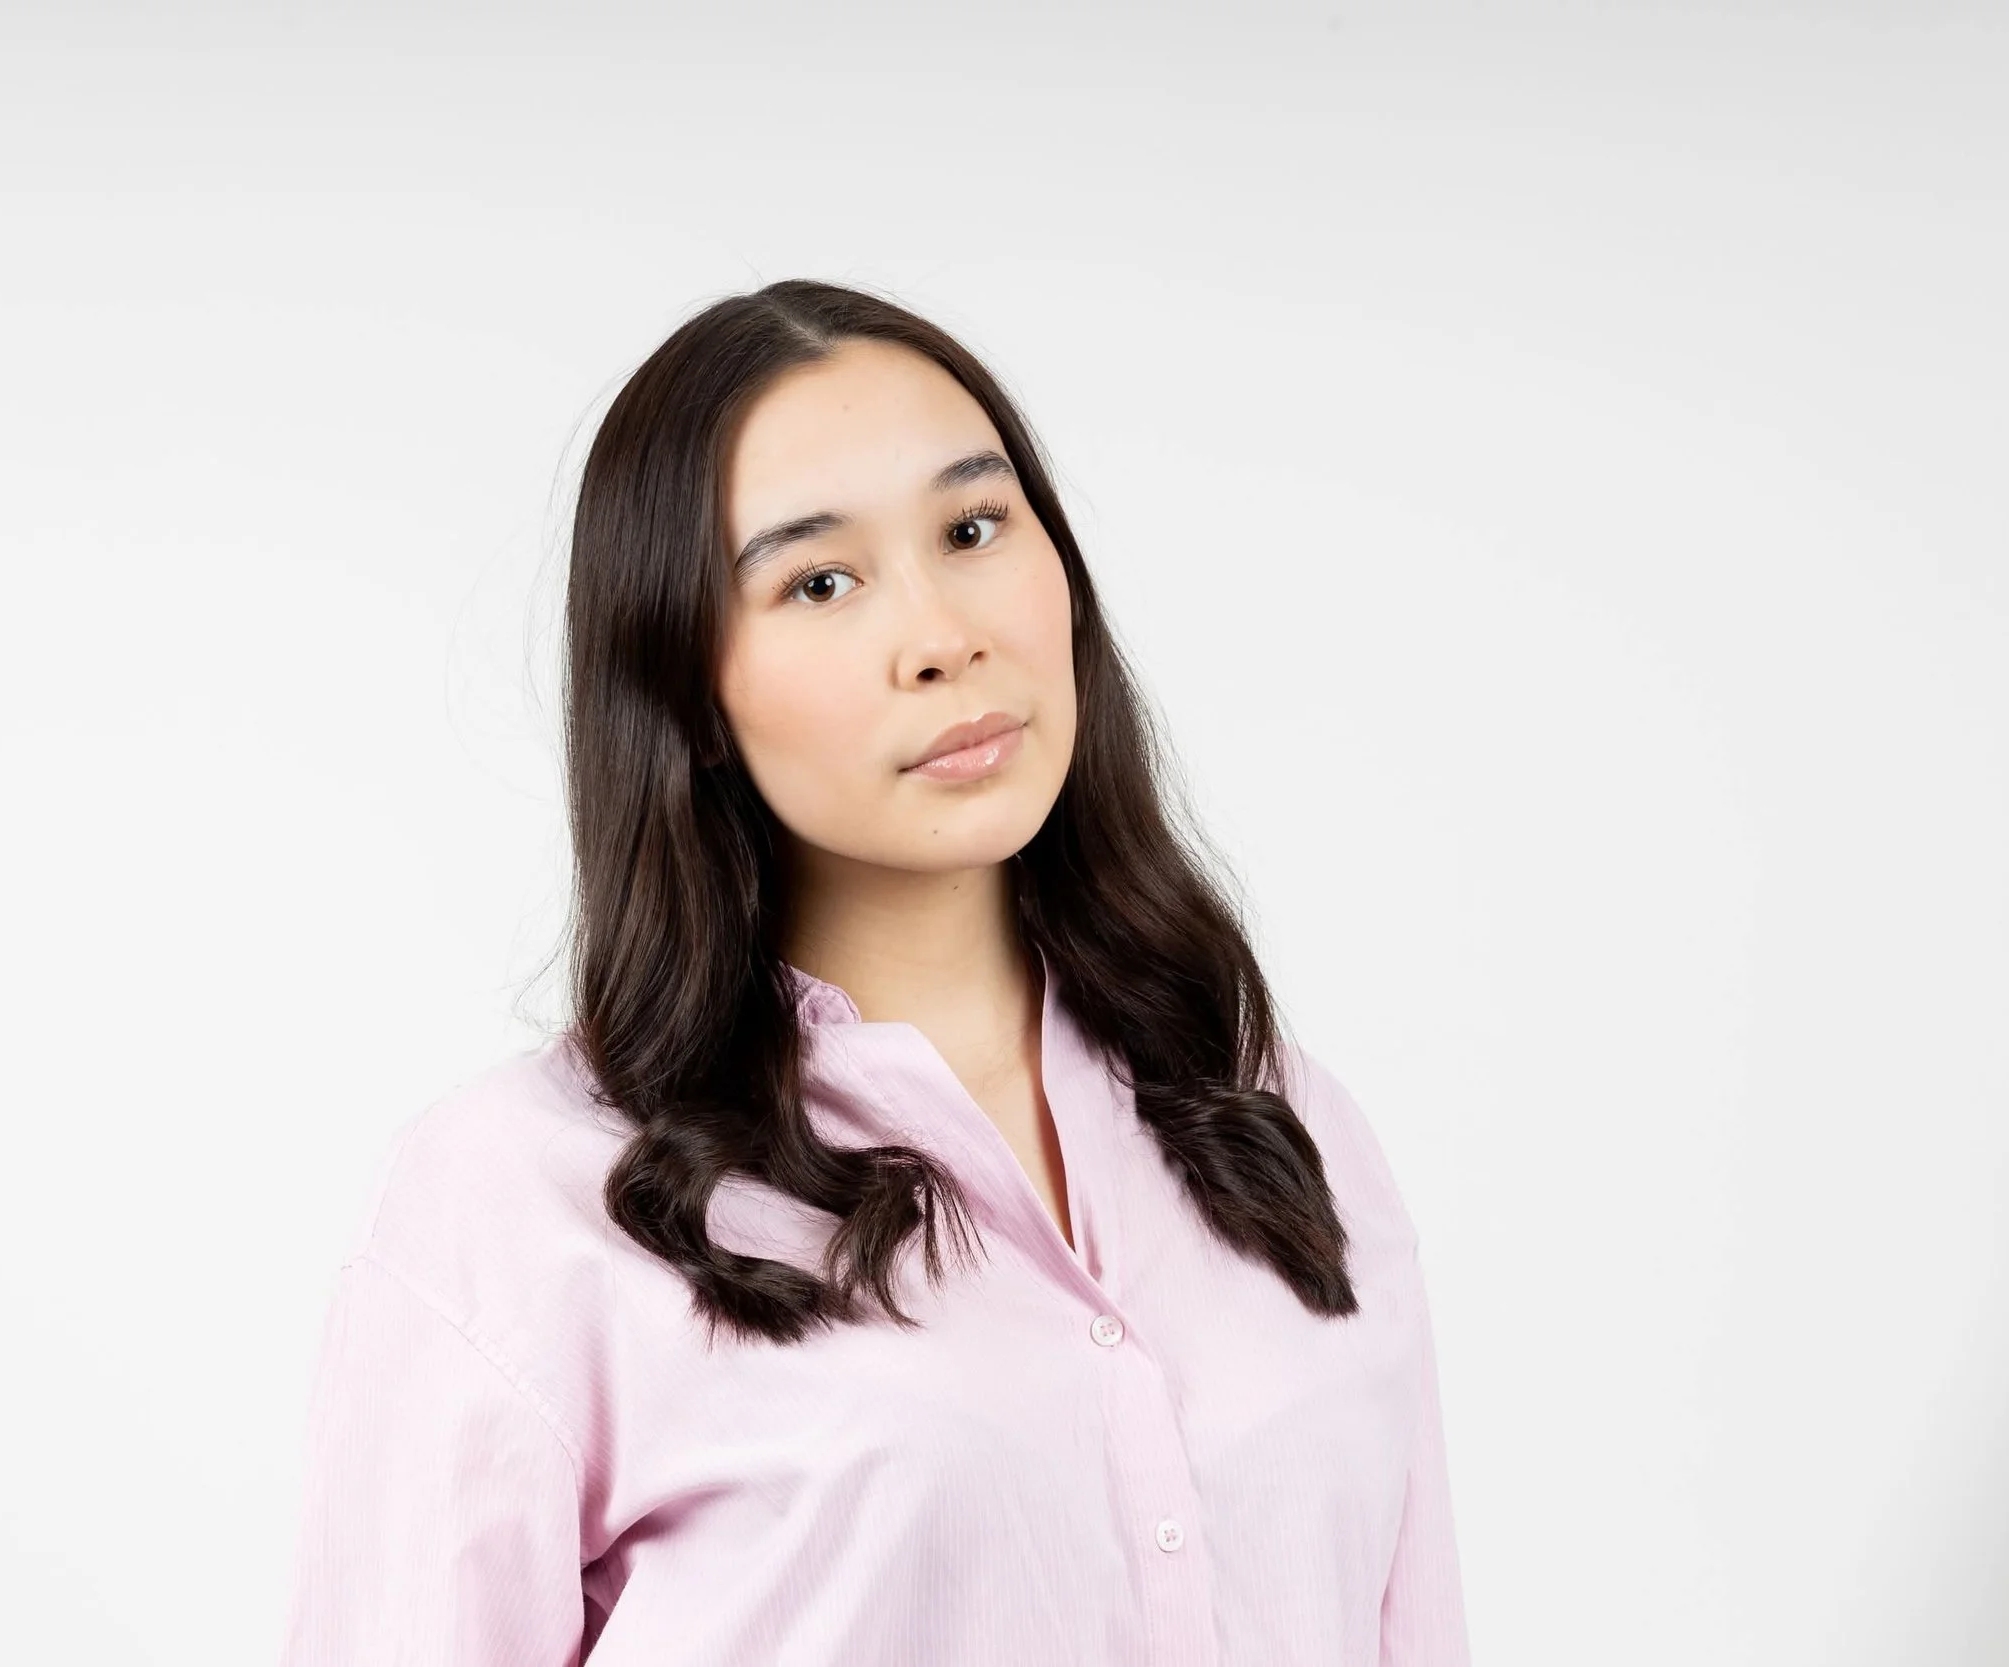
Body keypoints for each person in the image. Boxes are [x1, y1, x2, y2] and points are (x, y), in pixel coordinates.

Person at [274, 279, 1470, 1665]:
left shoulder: (1280, 1121)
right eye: (820, 581)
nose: (944, 637)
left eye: (974, 528)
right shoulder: (520, 1201)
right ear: (687, 691)